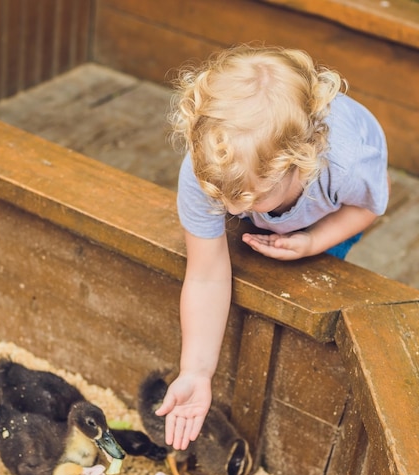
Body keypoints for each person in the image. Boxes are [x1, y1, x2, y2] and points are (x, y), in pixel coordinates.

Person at [156, 44, 389, 450]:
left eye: (247, 199)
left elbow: (368, 208)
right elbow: (207, 272)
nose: (229, 208)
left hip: (335, 209)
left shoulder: (346, 168)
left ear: (298, 164)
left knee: (308, 278)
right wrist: (195, 370)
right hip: (277, 184)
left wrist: (315, 240)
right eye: (222, 195)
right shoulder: (208, 167)